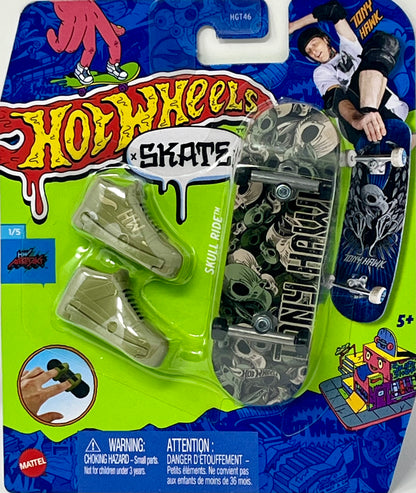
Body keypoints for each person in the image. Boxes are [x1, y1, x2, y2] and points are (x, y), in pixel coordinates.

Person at [289, 0, 408, 145]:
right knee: (340, 96)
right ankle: (369, 119)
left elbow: (334, 11)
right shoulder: (321, 72)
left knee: (386, 43)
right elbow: (335, 98)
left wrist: (293, 26)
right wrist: (356, 119)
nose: (313, 51)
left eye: (314, 44)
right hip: (356, 118)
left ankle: (376, 121)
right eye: (309, 51)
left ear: (325, 39)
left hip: (392, 110)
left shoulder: (350, 48)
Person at [47, 0, 128, 85]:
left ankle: (113, 64)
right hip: (74, 9)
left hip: (89, 6)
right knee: (88, 48)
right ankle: (82, 68)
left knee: (113, 41)